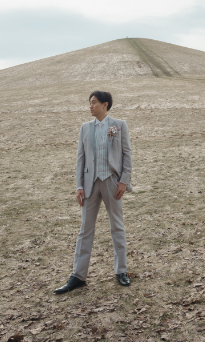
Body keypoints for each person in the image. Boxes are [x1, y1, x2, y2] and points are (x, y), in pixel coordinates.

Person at [54, 91, 133, 294]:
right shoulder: (85, 128)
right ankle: (78, 276)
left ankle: (121, 271)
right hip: (90, 185)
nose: (90, 106)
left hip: (112, 184)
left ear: (104, 104)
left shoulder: (119, 125)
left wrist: (124, 181)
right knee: (85, 229)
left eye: (93, 103)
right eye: (89, 103)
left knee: (117, 227)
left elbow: (127, 154)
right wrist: (79, 186)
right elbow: (80, 158)